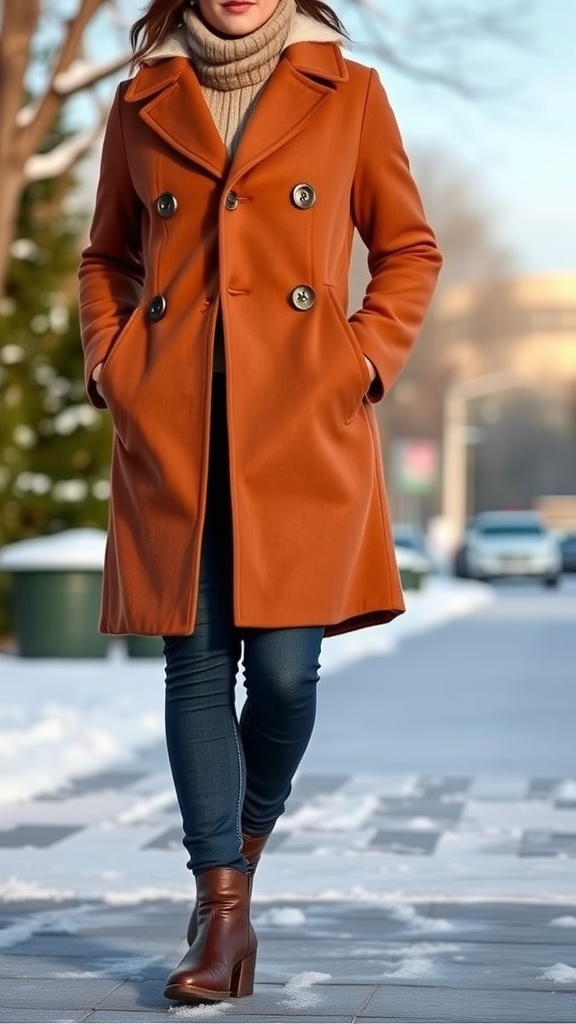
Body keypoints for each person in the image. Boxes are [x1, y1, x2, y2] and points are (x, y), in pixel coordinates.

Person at [78, 0, 442, 1005]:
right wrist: (114, 364)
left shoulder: (351, 94)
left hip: (300, 426)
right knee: (196, 666)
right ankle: (222, 913)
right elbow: (106, 256)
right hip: (176, 426)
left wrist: (360, 359)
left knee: (284, 677)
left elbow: (409, 250)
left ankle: (235, 854)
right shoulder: (142, 101)